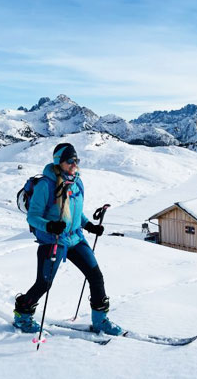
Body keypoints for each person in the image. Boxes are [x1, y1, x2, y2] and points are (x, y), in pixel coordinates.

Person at [13, 143, 122, 336]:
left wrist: (89, 225)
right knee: (44, 284)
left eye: (76, 160)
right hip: (53, 240)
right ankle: (22, 315)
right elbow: (32, 216)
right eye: (70, 161)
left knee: (96, 277)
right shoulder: (45, 185)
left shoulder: (77, 182)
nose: (74, 164)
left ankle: (100, 320)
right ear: (59, 162)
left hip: (75, 239)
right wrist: (49, 226)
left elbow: (75, 212)